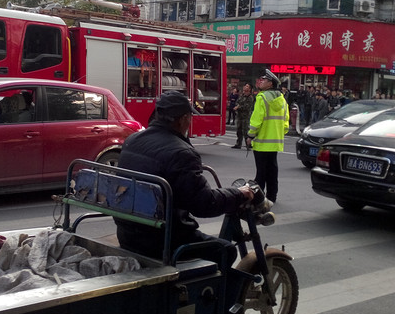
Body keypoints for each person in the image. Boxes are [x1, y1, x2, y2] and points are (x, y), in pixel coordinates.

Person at [114, 91, 254, 261]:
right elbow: (204, 204)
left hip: (127, 232)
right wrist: (238, 193)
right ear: (182, 119)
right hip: (162, 239)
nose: (190, 121)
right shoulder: (182, 153)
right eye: (189, 117)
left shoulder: (133, 140)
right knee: (226, 250)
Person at [246, 70, 289, 203]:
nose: (260, 81)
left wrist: (250, 136)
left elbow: (256, 121)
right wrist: (277, 133)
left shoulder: (262, 97)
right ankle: (272, 197)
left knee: (261, 173)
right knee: (272, 171)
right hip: (275, 143)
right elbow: (286, 123)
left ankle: (258, 199)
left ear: (270, 84)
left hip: (261, 142)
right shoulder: (281, 99)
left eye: (263, 80)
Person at [231, 83, 254, 149]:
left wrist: (238, 107)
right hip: (239, 116)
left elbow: (247, 107)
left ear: (249, 89)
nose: (245, 87)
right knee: (239, 130)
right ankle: (238, 144)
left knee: (246, 131)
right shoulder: (242, 96)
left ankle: (248, 145)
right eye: (245, 86)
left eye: (247, 86)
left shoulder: (250, 97)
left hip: (245, 116)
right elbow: (237, 102)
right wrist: (237, 106)